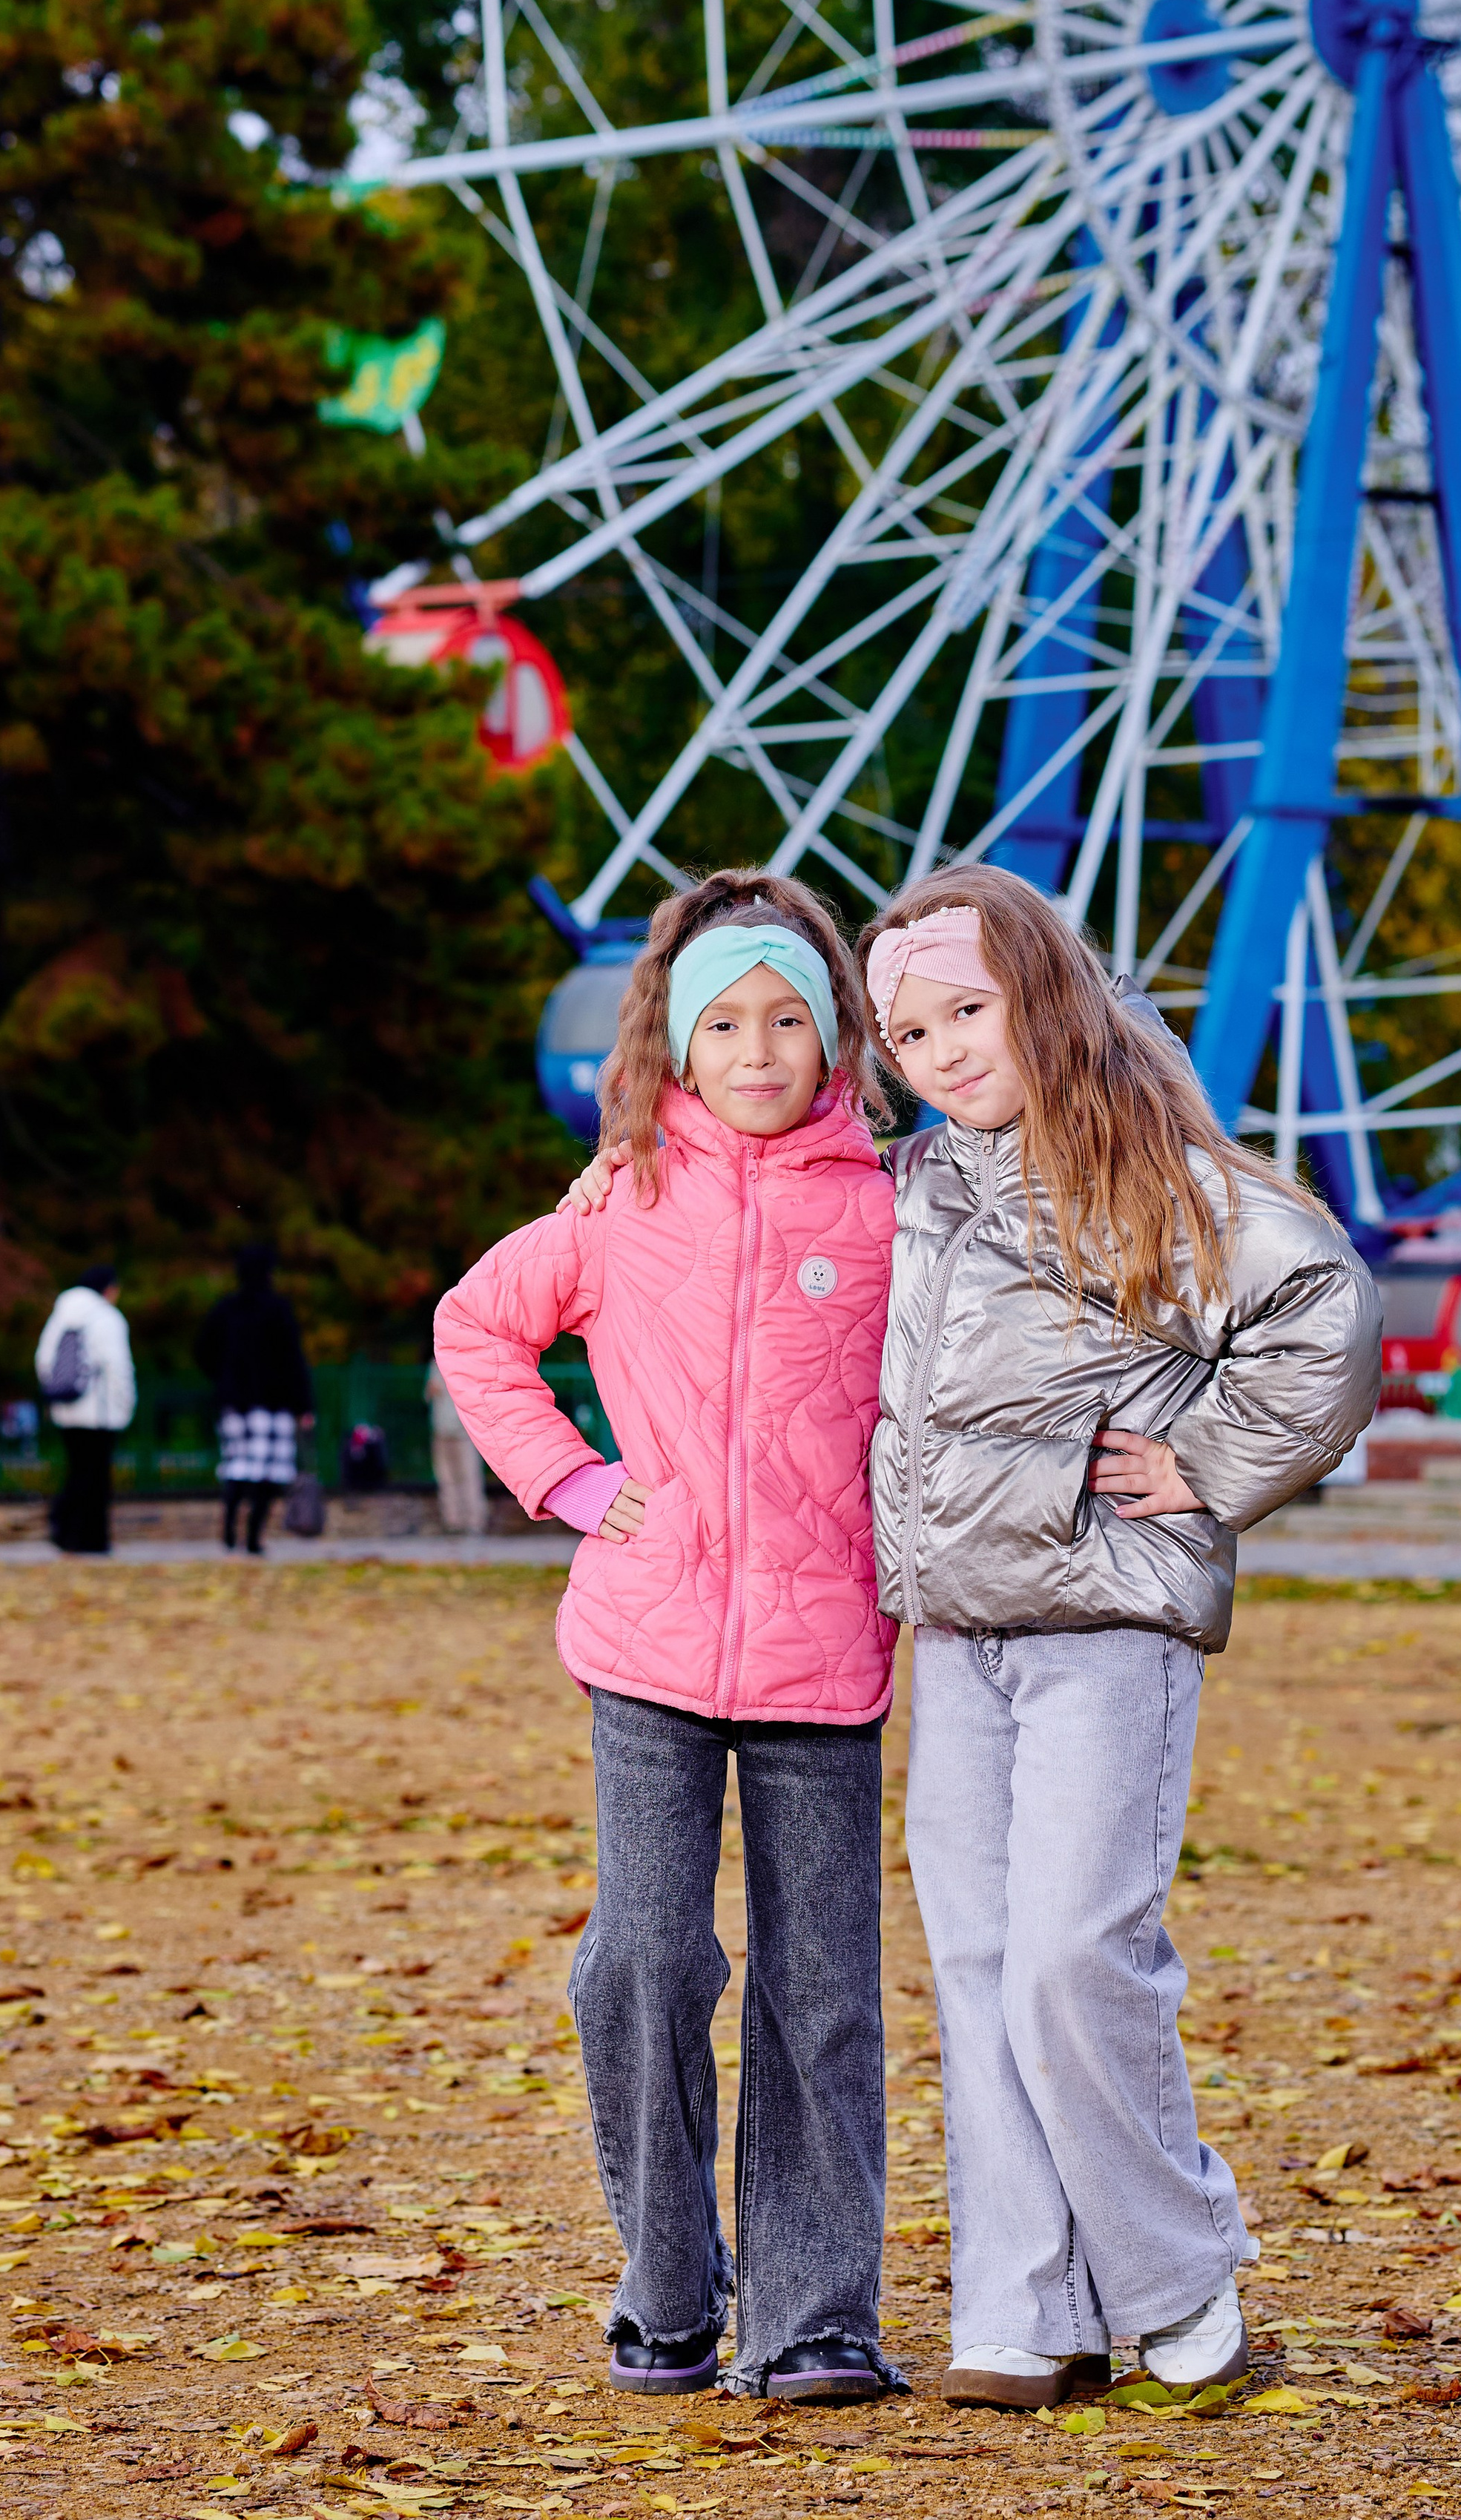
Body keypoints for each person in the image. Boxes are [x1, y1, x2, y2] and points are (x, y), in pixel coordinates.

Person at [859, 864, 1381, 2412]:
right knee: (974, 1968)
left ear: (1043, 995)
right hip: (956, 1629)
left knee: (1074, 1961)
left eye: (968, 1010)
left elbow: (1323, 1316)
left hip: (1103, 1620)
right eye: (907, 1032)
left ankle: (1173, 2274)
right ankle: (1020, 2304)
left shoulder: (1155, 1175)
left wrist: (1208, 1469)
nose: (943, 1050)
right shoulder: (915, 1191)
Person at [435, 870, 902, 2409]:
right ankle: (668, 2283)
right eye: (723, 1021)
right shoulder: (618, 1200)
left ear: (833, 1036)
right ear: (676, 1045)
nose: (757, 1047)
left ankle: (815, 2313)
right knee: (641, 1959)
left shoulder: (896, 1205)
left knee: (820, 1989)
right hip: (645, 1645)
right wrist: (572, 1479)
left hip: (825, 1657)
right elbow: (475, 1327)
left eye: (787, 1017)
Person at [196, 1242, 314, 1556]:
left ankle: (229, 1529)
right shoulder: (278, 1309)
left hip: (233, 1405)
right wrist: (304, 1405)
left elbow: (202, 1351)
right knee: (267, 1473)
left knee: (237, 1467)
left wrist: (222, 1380)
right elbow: (293, 1360)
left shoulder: (225, 1309)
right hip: (273, 1406)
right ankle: (253, 1537)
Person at [35, 1264, 136, 1556]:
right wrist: (125, 1404)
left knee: (78, 1471)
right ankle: (92, 1540)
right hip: (101, 1413)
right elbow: (118, 1366)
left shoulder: (60, 1316)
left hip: (67, 1410)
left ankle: (69, 1534)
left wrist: (57, 1394)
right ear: (108, 1289)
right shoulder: (108, 1318)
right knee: (96, 1478)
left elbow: (44, 1360)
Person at [426, 1358, 487, 1534]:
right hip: (441, 1431)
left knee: (469, 1476)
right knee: (446, 1478)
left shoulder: (466, 1363)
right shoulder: (435, 1364)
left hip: (463, 1433)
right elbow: (429, 1394)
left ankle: (475, 1522)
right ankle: (453, 1522)